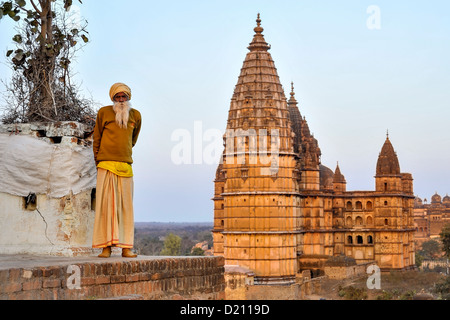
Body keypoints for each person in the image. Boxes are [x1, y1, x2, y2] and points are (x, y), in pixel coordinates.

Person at [92, 83, 142, 258]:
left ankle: (126, 248)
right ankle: (106, 248)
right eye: (117, 97)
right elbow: (96, 137)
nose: (121, 100)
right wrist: (98, 158)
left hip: (125, 165)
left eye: (124, 97)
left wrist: (124, 151)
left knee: (125, 209)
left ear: (128, 97)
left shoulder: (136, 115)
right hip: (105, 164)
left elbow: (133, 139)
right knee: (106, 208)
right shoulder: (104, 113)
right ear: (112, 98)